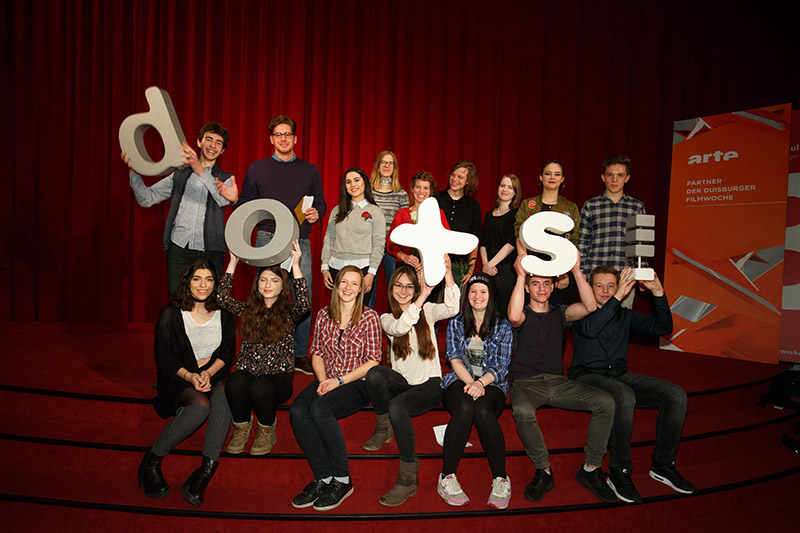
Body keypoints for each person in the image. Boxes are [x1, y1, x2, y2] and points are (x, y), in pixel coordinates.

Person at [568, 266, 696, 503]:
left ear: (619, 288)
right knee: (623, 395)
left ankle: (662, 465)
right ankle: (620, 471)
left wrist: (658, 292)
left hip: (618, 377)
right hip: (587, 377)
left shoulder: (625, 315)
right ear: (590, 288)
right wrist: (617, 298)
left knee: (676, 395)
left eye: (611, 286)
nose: (606, 291)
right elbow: (593, 328)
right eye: (599, 286)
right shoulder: (581, 313)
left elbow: (663, 329)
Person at [507, 254, 617, 504]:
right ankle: (544, 470)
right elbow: (513, 317)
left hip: (558, 382)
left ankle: (591, 468)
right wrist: (521, 274)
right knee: (523, 410)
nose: (542, 288)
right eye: (536, 283)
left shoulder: (561, 313)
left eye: (547, 283)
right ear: (527, 288)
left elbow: (590, 306)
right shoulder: (522, 314)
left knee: (606, 402)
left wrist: (578, 271)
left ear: (554, 286)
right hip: (525, 382)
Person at [138, 259, 234, 507]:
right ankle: (152, 460)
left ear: (215, 284)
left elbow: (227, 353)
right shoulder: (171, 313)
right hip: (179, 377)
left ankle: (204, 473)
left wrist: (209, 373)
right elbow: (165, 359)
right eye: (197, 279)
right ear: (188, 281)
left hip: (214, 373)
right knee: (201, 406)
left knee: (224, 395)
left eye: (209, 279)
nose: (203, 285)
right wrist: (192, 376)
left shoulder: (224, 312)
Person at [363, 259, 460, 506]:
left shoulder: (427, 310)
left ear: (416, 289)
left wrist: (448, 274)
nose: (404, 290)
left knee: (399, 407)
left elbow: (452, 307)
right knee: (375, 374)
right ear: (391, 289)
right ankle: (383, 426)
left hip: (428, 385)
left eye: (409, 286)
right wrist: (420, 298)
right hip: (402, 383)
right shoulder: (385, 317)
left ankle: (408, 479)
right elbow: (399, 327)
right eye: (398, 285)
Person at [237, 114, 327, 375]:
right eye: (278, 134)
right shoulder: (257, 168)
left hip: (299, 240)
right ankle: (263, 348)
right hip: (266, 239)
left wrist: (316, 214)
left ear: (295, 138)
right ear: (271, 139)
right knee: (265, 297)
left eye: (288, 134)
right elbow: (245, 204)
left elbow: (320, 203)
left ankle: (299, 355)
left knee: (303, 298)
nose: (284, 138)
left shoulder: (310, 169)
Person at [289, 266, 382, 511]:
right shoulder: (323, 315)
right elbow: (317, 352)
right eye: (344, 282)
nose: (348, 288)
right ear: (336, 284)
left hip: (356, 383)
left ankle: (342, 479)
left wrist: (339, 381)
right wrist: (323, 381)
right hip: (326, 378)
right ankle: (323, 476)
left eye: (354, 283)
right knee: (298, 410)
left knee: (320, 410)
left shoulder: (370, 317)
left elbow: (373, 360)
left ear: (361, 288)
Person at [122, 122, 238, 295]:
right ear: (199, 142)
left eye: (218, 143)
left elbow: (222, 200)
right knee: (177, 301)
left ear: (222, 151)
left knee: (210, 304)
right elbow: (147, 198)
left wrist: (199, 168)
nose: (212, 145)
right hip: (179, 249)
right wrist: (134, 172)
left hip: (211, 252)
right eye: (209, 139)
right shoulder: (179, 175)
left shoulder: (226, 179)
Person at [219, 241, 309, 455]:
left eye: (274, 280)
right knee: (234, 383)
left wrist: (296, 265)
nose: (268, 284)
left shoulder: (289, 313)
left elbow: (304, 304)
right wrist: (232, 263)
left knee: (259, 387)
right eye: (263, 279)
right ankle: (241, 427)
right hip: (248, 372)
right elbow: (222, 298)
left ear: (282, 285)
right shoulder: (248, 309)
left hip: (277, 380)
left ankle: (266, 429)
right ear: (257, 283)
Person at [438, 273, 513, 509]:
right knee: (464, 406)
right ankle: (446, 477)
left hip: (492, 383)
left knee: (482, 411)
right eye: (472, 291)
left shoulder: (502, 325)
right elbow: (454, 357)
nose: (477, 296)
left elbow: (501, 365)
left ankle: (501, 478)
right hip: (460, 379)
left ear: (490, 296)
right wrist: (471, 382)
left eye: (483, 291)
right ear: (466, 295)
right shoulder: (456, 322)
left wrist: (481, 384)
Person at [578, 154, 646, 308]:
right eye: (610, 175)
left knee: (622, 324)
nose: (615, 180)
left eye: (620, 175)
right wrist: (581, 272)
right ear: (603, 177)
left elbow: (640, 244)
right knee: (594, 323)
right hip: (595, 277)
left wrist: (642, 275)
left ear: (627, 178)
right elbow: (583, 242)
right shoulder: (591, 206)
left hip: (625, 276)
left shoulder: (636, 207)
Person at [514, 160, 580, 306]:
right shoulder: (528, 204)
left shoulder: (570, 207)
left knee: (559, 316)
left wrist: (564, 271)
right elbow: (519, 234)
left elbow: (573, 240)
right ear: (541, 177)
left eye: (557, 174)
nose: (552, 177)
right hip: (533, 268)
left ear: (562, 179)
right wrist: (525, 266)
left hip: (561, 273)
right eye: (548, 173)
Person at [321, 167, 386, 307]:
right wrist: (325, 267)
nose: (353, 185)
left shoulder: (375, 212)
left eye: (357, 180)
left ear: (365, 183)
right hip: (336, 267)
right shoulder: (337, 210)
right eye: (348, 182)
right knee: (338, 310)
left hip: (363, 269)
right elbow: (328, 239)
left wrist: (371, 273)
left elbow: (379, 244)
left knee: (358, 313)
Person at [368, 150, 409, 308]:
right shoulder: (367, 192)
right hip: (371, 247)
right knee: (368, 289)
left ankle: (397, 328)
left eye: (390, 163)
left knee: (396, 289)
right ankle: (367, 325)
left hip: (393, 249)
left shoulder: (401, 194)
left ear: (395, 168)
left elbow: (406, 225)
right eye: (383, 162)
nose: (386, 166)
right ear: (377, 166)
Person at [386, 171, 450, 272]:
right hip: (406, 266)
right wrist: (405, 257)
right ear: (412, 189)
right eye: (418, 187)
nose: (421, 191)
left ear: (430, 191)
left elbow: (446, 241)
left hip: (431, 267)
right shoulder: (402, 214)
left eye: (426, 188)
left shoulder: (438, 214)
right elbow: (390, 244)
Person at [434, 161, 482, 285]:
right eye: (453, 175)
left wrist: (470, 269)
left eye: (460, 177)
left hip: (458, 266)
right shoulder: (435, 199)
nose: (454, 179)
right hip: (434, 260)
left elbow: (474, 239)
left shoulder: (473, 206)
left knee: (454, 302)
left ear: (468, 181)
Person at [480, 173, 522, 317]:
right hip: (488, 269)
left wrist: (491, 264)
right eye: (502, 185)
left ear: (515, 193)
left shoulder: (516, 214)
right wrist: (485, 264)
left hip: (505, 270)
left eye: (510, 187)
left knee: (501, 310)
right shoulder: (488, 214)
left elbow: (510, 244)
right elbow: (483, 242)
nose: (505, 189)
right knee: (486, 310)